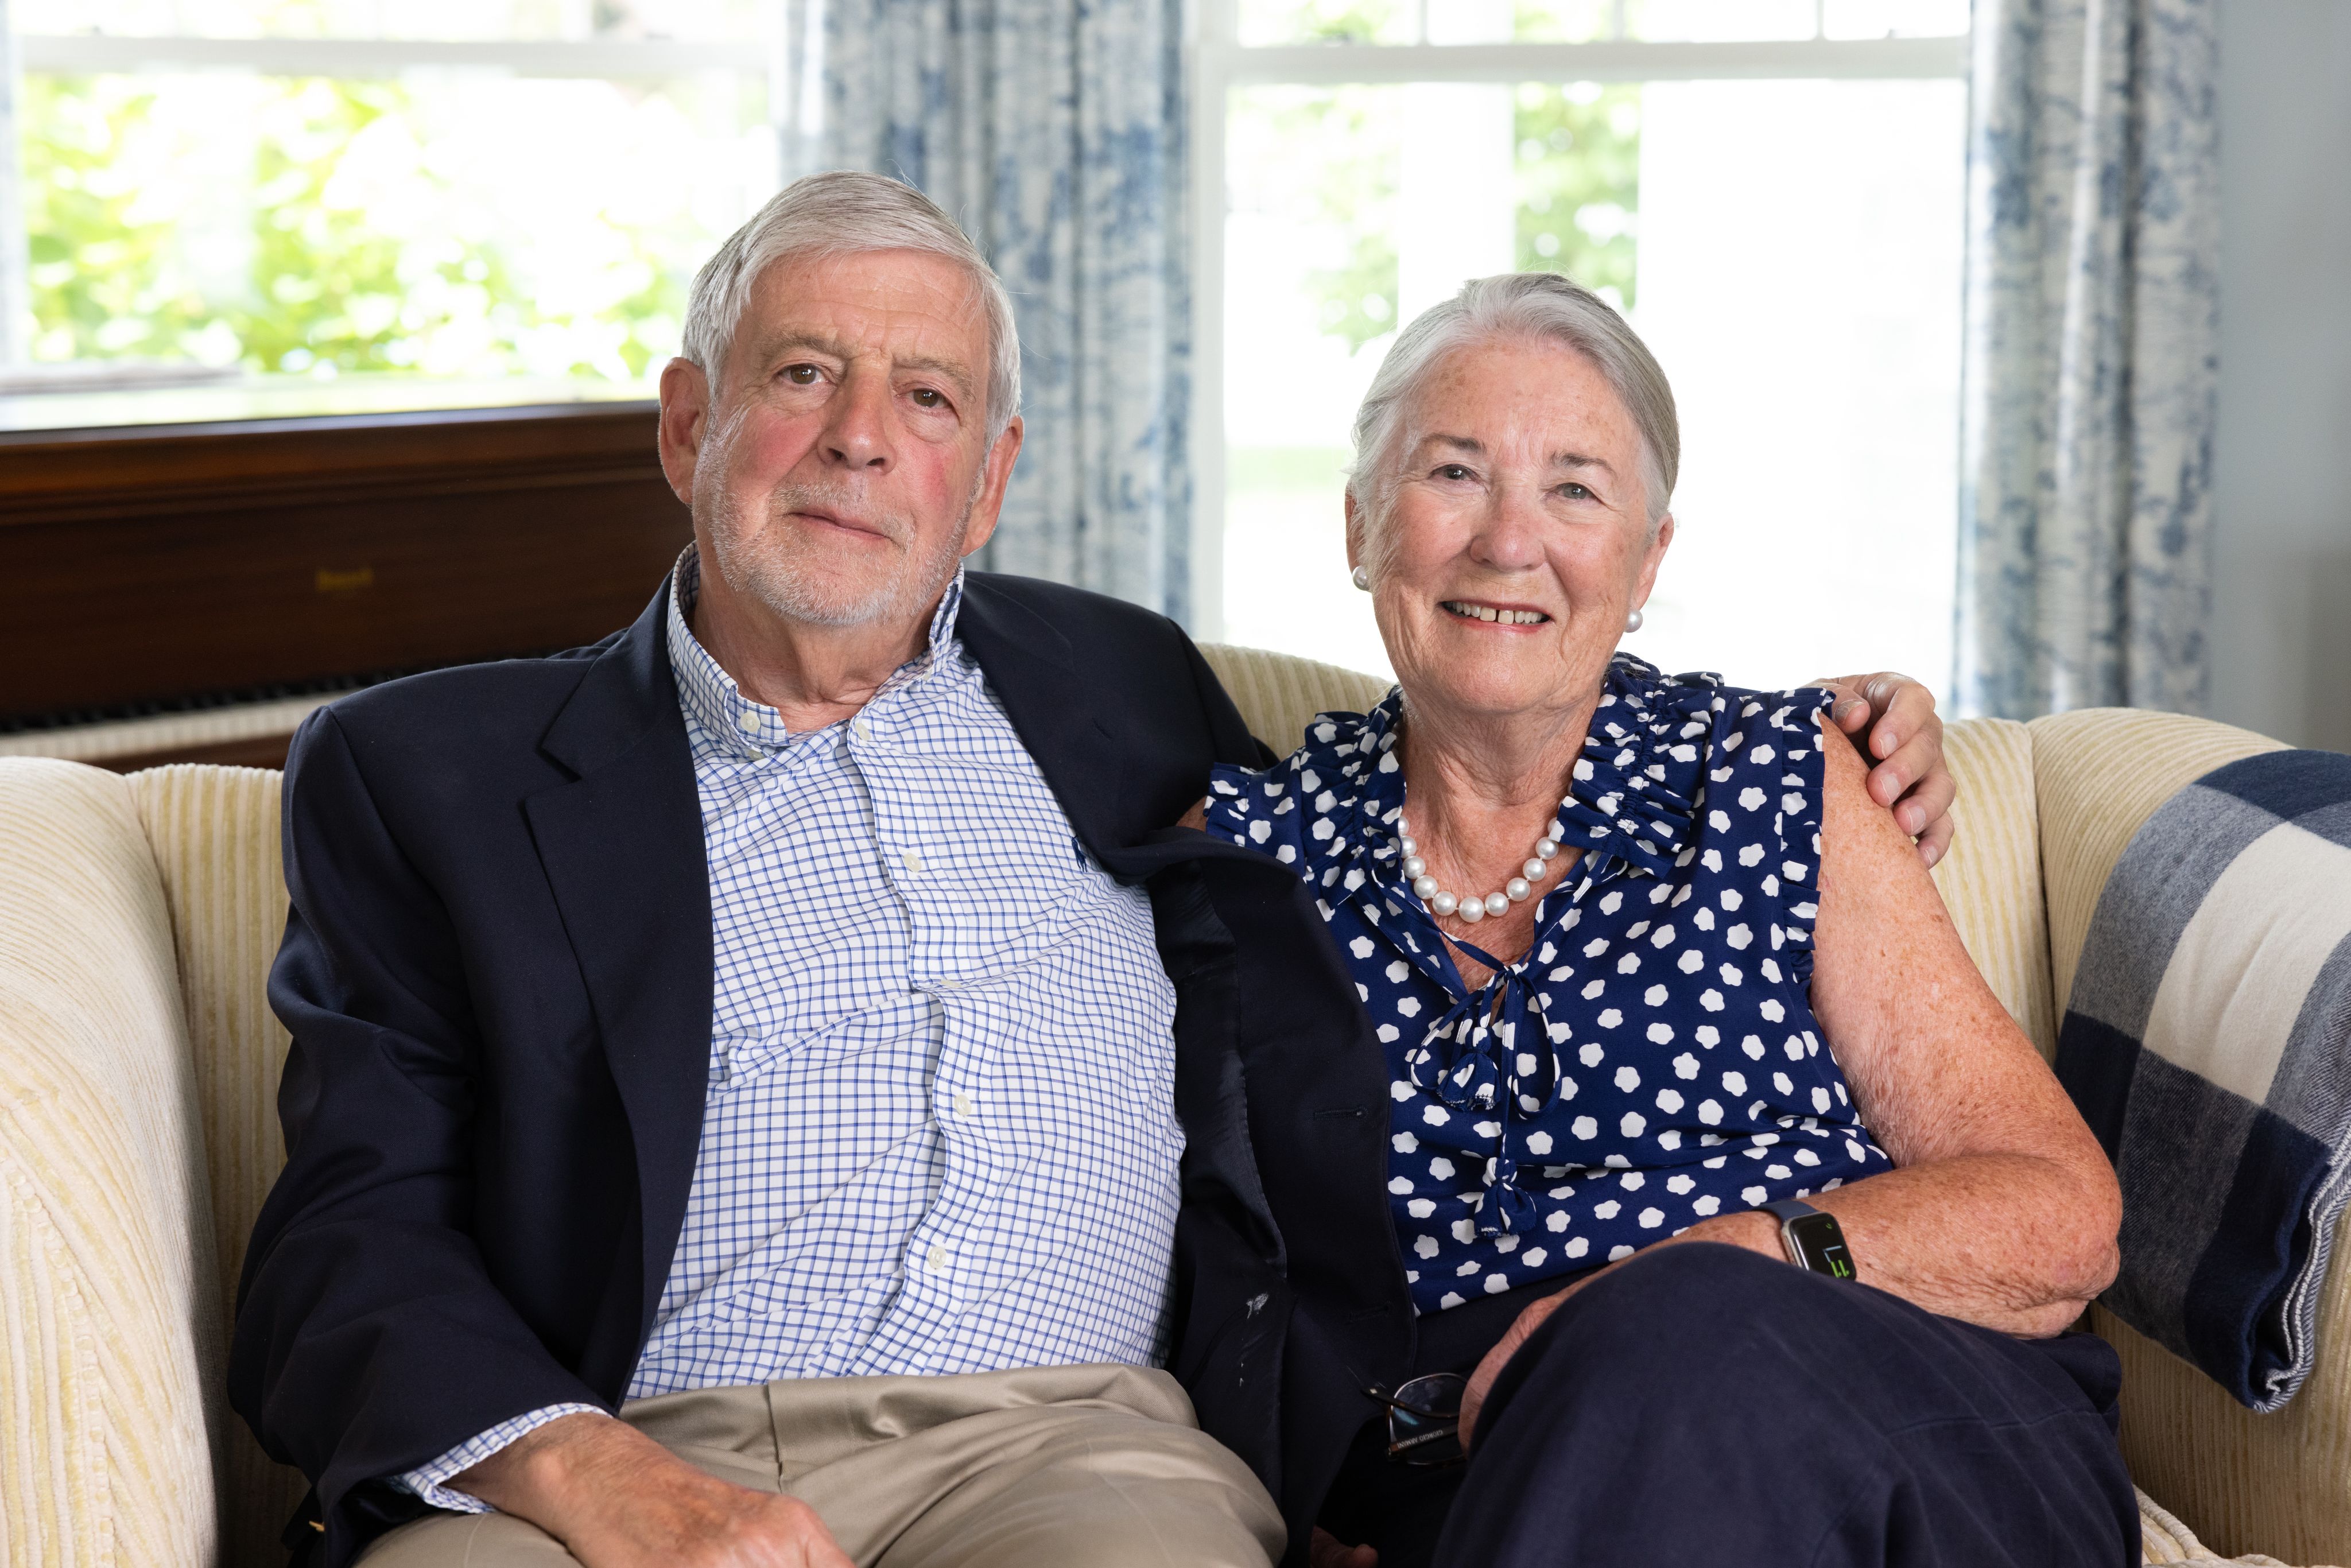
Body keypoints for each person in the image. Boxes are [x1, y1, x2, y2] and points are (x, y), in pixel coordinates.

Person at [227, 172, 1956, 1568]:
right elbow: (342, 1242)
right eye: (803, 372)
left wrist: (1845, 734)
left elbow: (1497, 695)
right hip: (616, 1458)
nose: (858, 440)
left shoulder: (1123, 692)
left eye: (928, 399)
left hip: (1077, 1456)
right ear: (689, 426)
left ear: (989, 482)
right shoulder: (425, 773)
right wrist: (596, 1478)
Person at [1186, 271, 2134, 1568]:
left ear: (1645, 561)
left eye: (1574, 488)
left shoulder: (1774, 779)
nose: (1508, 540)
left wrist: (1734, 1257)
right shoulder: (1248, 858)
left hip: (1869, 1404)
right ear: (1359, 527)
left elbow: (2058, 1214)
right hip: (1471, 1475)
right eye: (1453, 473)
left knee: (1679, 1328)